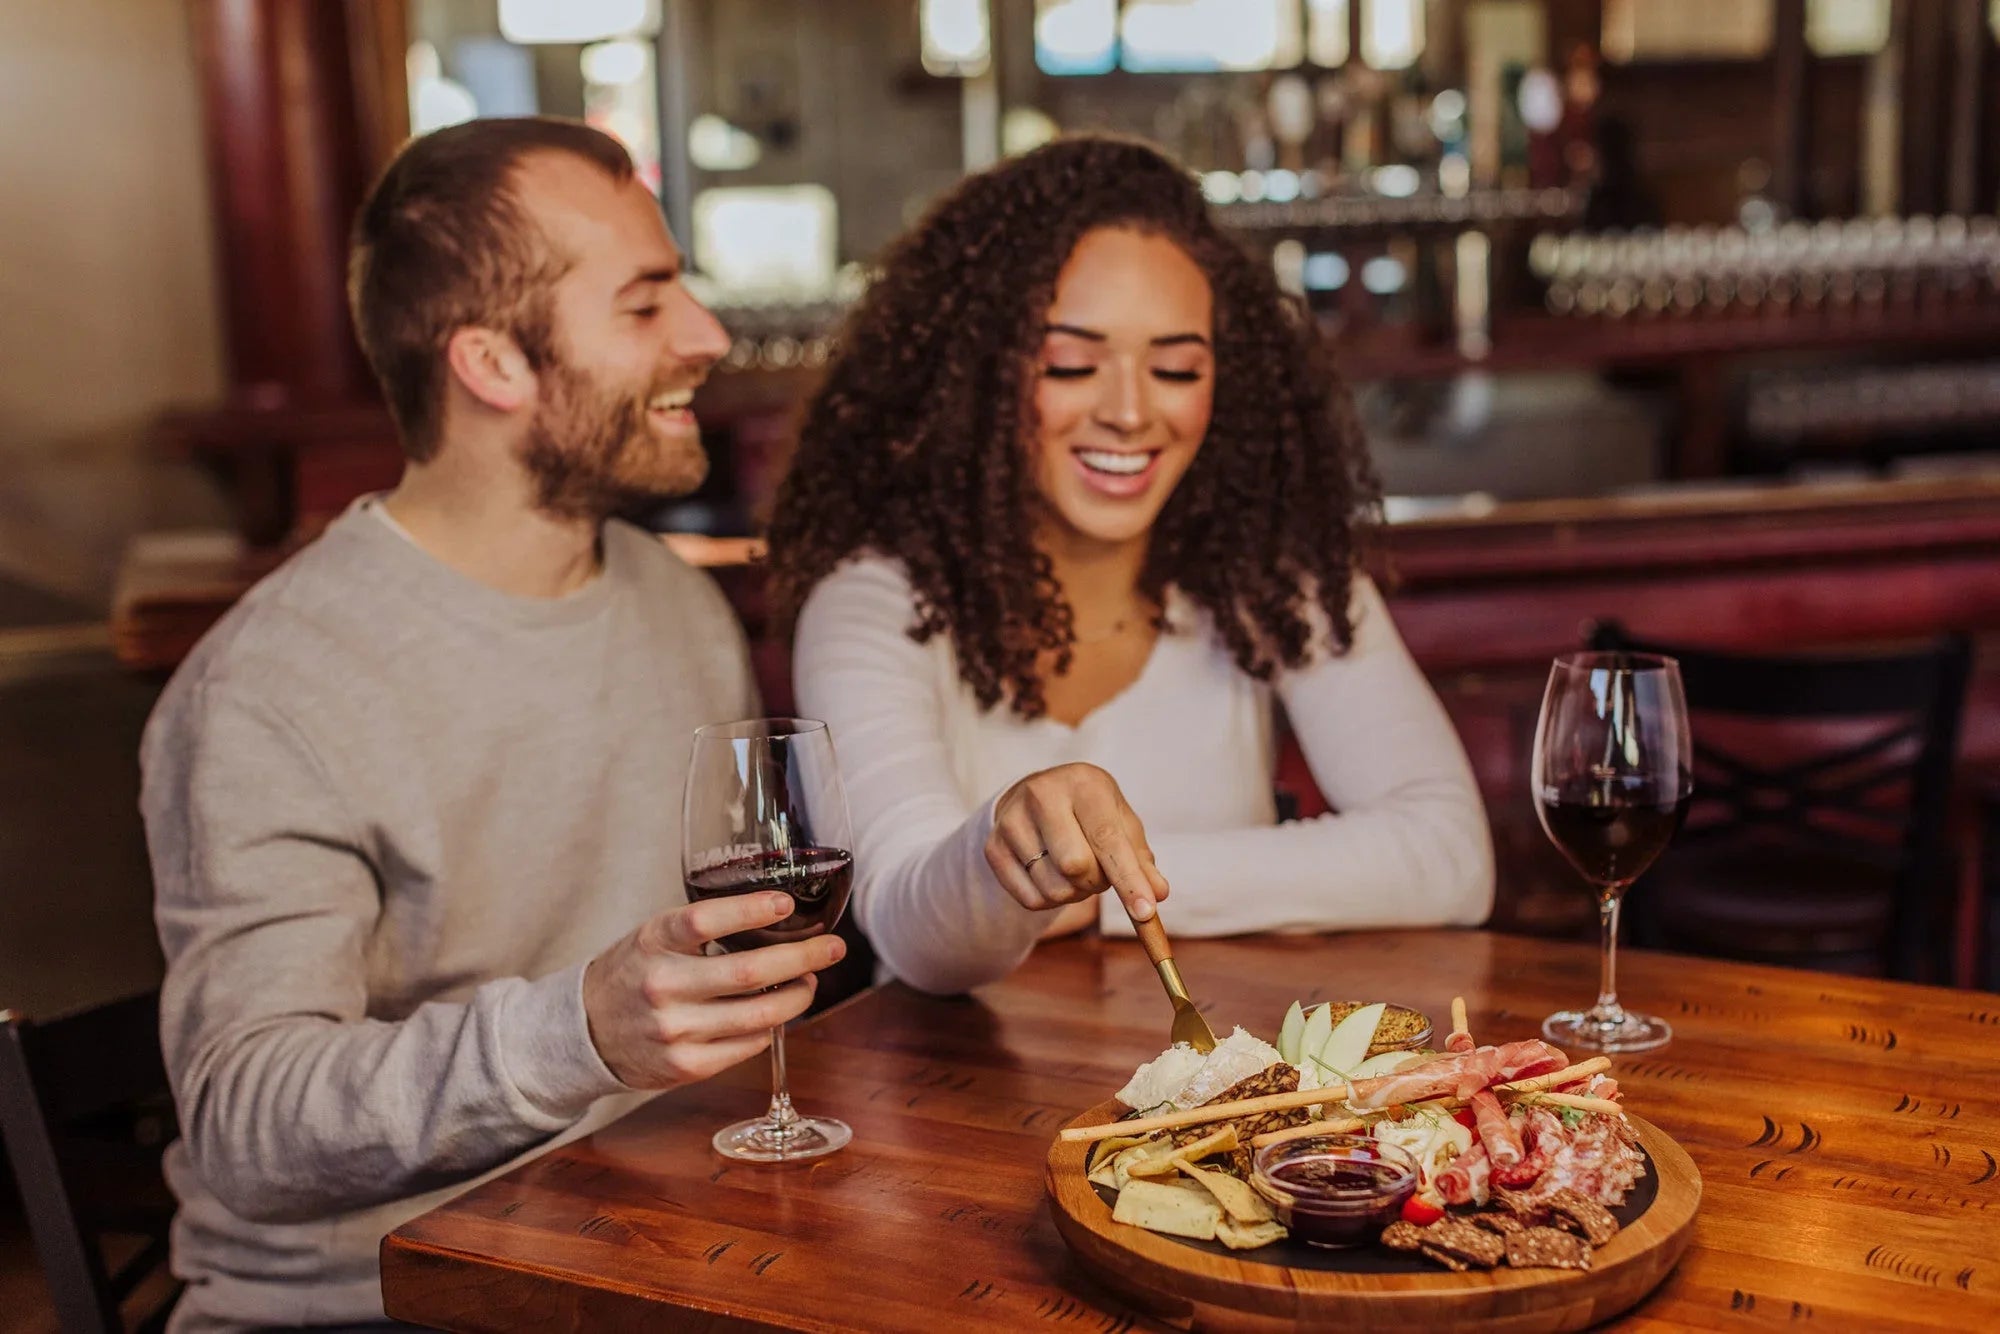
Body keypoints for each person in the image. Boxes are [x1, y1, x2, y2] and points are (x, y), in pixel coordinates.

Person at [140, 117, 846, 1332]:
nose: (708, 336)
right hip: (368, 1305)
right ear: (491, 363)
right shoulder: (264, 687)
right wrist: (580, 1028)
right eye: (644, 303)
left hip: (642, 1250)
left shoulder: (674, 604)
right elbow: (247, 1121)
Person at [765, 135, 1493, 996]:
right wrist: (1007, 846)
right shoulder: (872, 601)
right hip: (964, 1104)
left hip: (1228, 1091)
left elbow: (1452, 857)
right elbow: (915, 941)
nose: (1129, 411)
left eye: (1177, 367)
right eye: (1072, 362)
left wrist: (1104, 892)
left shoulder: (1272, 571)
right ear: (977, 375)